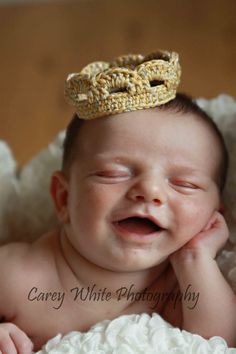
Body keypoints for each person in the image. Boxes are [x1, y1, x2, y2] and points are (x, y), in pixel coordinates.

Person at [0, 50, 235, 353]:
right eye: (114, 173)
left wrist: (196, 258)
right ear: (63, 197)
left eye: (184, 184)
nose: (149, 191)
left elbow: (220, 343)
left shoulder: (180, 285)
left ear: (213, 217)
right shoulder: (17, 275)